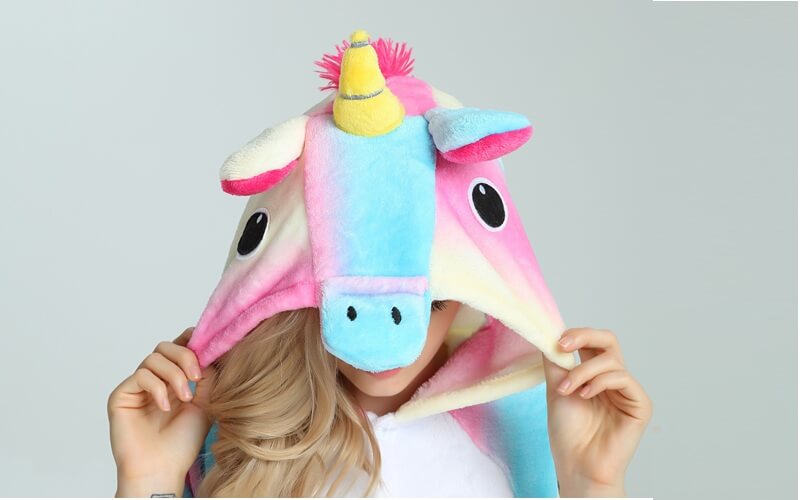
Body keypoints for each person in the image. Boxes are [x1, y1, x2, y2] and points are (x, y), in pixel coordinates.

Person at [108, 300, 652, 497]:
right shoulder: (239, 425)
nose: (390, 341)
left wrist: (595, 487)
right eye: (354, 303)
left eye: (429, 302)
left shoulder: (530, 424)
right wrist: (149, 482)